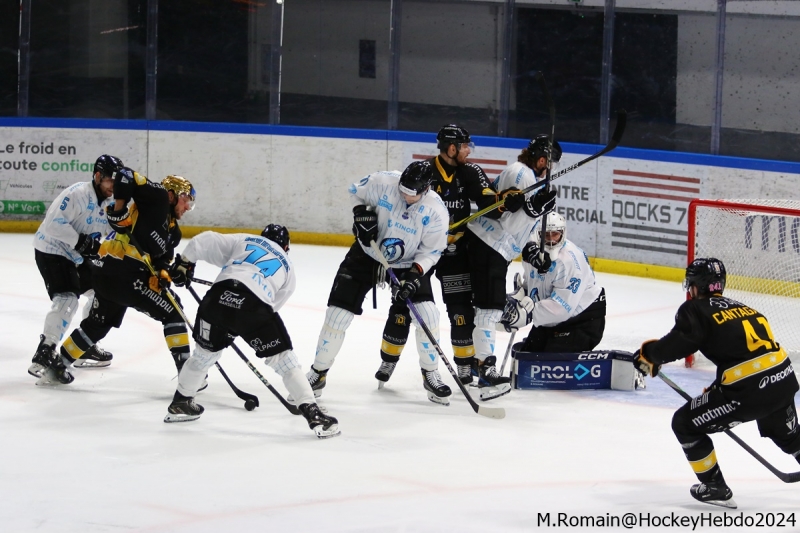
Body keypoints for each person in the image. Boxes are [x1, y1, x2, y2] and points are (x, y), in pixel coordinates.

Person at [633, 258, 800, 509]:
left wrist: (649, 356)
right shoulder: (745, 309)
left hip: (748, 391)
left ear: (695, 286)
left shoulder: (695, 308)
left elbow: (681, 342)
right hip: (783, 380)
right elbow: (747, 356)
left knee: (685, 423)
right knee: (789, 436)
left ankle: (714, 487)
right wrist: (718, 388)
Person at [164, 225, 340, 439]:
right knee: (284, 362)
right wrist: (240, 324)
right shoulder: (288, 267)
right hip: (253, 306)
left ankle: (181, 403)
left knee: (203, 355)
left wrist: (185, 263)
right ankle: (314, 415)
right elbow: (271, 307)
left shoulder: (245, 239)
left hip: (216, 299)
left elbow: (204, 240)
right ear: (286, 247)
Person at [305, 160, 453, 405]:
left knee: (428, 315)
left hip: (407, 264)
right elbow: (355, 192)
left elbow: (432, 252)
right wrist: (360, 215)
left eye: (411, 194)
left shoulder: (437, 211)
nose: (405, 196)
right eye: (402, 190)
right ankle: (317, 374)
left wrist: (414, 276)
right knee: (337, 315)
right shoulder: (382, 182)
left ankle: (430, 374)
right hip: (367, 254)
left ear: (426, 188)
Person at [38, 170, 196, 386]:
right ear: (171, 195)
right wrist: (120, 208)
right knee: (173, 311)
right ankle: (188, 376)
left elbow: (161, 262)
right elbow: (125, 174)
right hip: (123, 272)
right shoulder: (157, 198)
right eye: (186, 200)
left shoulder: (173, 233)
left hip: (108, 275)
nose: (187, 207)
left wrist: (165, 274)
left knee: (97, 325)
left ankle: (58, 366)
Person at [464, 134, 560, 400]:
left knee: (487, 309)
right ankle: (485, 370)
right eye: (551, 163)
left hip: (493, 247)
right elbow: (508, 222)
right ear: (543, 160)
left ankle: (477, 363)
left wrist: (532, 251)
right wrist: (534, 209)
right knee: (489, 309)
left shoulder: (526, 176)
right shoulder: (522, 174)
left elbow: (521, 227)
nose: (550, 169)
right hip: (488, 244)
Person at [29, 155, 123, 378]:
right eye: (110, 180)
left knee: (102, 292)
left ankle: (84, 345)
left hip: (77, 256)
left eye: (117, 181)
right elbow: (53, 224)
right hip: (52, 249)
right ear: (97, 176)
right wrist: (81, 242)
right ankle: (45, 350)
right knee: (67, 298)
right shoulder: (77, 194)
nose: (113, 186)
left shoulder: (111, 203)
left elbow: (113, 235)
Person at [425, 124, 505, 384]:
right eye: (464, 146)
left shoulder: (469, 172)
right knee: (407, 307)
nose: (469, 151)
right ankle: (389, 362)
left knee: (460, 310)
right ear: (452, 148)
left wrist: (506, 200)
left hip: (454, 252)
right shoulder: (424, 172)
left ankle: (464, 366)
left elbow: (489, 204)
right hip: (422, 249)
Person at [502, 212, 606, 353]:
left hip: (582, 320)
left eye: (555, 234)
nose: (550, 240)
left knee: (548, 358)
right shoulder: (533, 255)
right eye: (546, 235)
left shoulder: (570, 262)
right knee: (528, 353)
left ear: (563, 233)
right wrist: (520, 297)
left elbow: (562, 308)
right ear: (539, 234)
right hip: (551, 319)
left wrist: (528, 313)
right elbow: (533, 283)